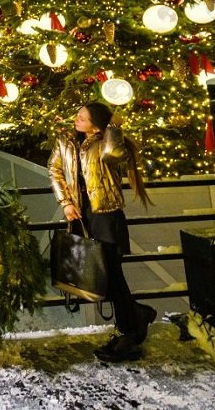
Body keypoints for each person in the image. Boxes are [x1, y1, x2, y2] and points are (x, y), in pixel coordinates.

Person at [48, 102, 155, 362]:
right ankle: (134, 319)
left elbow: (115, 155)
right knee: (102, 276)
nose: (77, 119)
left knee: (112, 275)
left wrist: (114, 127)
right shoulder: (66, 141)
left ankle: (129, 331)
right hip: (81, 216)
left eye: (83, 118)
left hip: (106, 216)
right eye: (78, 115)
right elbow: (55, 169)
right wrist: (66, 202)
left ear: (97, 124)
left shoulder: (106, 142)